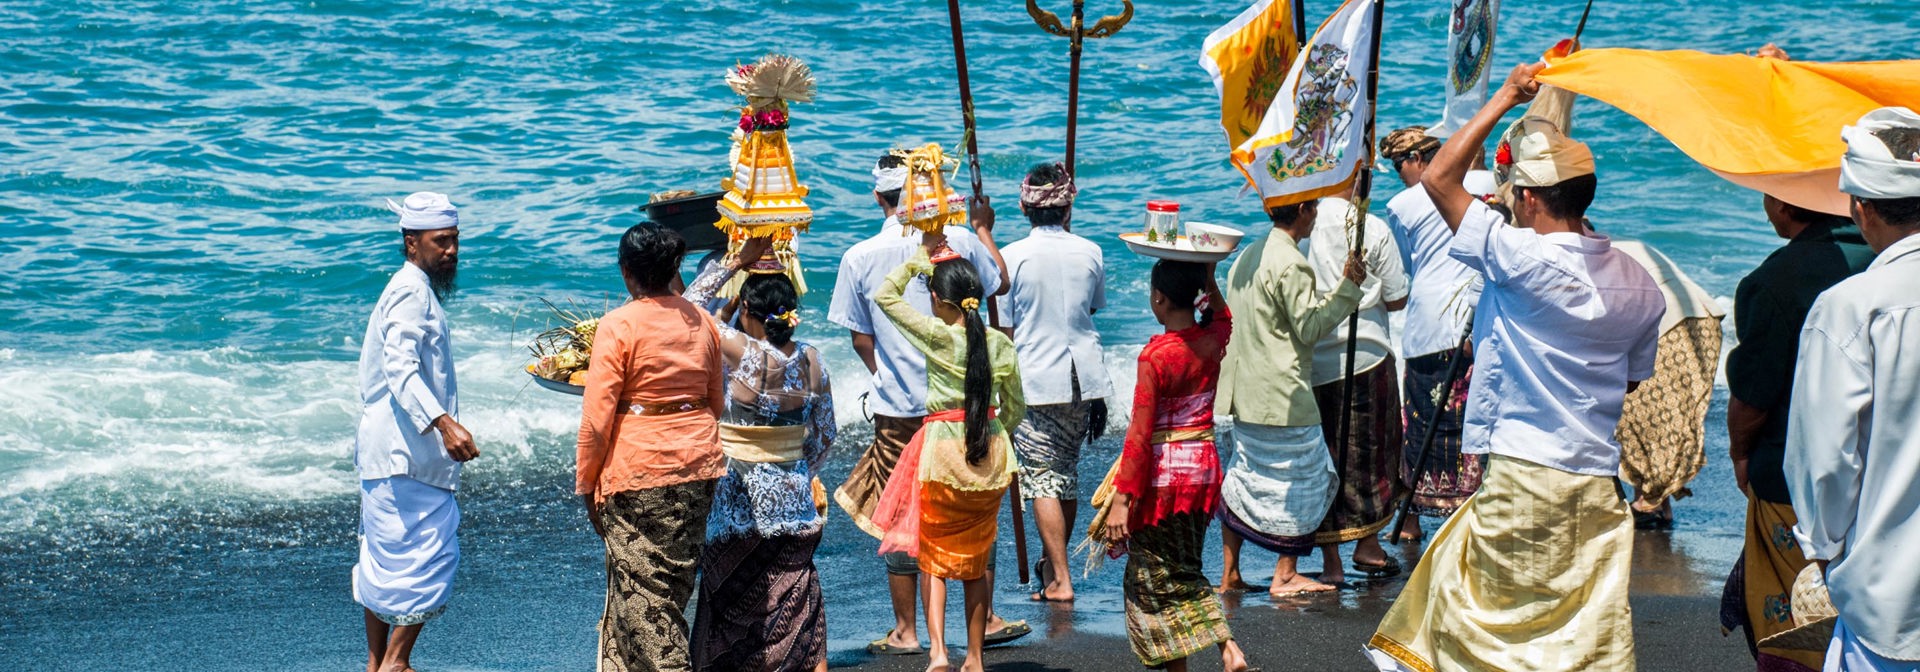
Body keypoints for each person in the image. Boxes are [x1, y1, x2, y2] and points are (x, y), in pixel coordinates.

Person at [1365, 63, 1666, 672]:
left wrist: (1506, 95)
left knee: (1483, 625)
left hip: (1525, 469)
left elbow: (1440, 177)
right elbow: (1632, 378)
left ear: (1528, 197)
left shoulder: (1519, 257)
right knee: (1579, 634)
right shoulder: (1639, 283)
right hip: (1595, 480)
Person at [829, 152, 1027, 655]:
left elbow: (861, 337)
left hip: (901, 406)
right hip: (977, 416)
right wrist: (980, 229)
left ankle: (908, 631)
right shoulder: (961, 241)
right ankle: (985, 621)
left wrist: (886, 377)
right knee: (976, 517)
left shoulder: (858, 255)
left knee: (904, 517)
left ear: (880, 198)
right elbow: (997, 284)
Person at [1784, 106, 1920, 671]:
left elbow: (1825, 460)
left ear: (1860, 208)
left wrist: (1822, 547)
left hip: (1889, 601)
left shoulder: (1851, 306)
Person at [1719, 195, 1872, 670]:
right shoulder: (1887, 262)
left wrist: (1740, 455)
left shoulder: (1774, 279)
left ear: (1783, 204)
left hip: (1793, 481)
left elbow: (1752, 396)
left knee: (1793, 628)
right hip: (1885, 475)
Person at [575, 223, 726, 672]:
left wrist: (586, 483)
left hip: (638, 471)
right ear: (674, 269)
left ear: (627, 272)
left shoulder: (618, 325)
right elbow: (715, 402)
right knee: (668, 589)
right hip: (699, 465)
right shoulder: (702, 321)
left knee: (647, 601)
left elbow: (597, 420)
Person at [867, 247, 1026, 672]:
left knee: (933, 559)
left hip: (942, 455)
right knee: (976, 561)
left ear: (938, 300)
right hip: (991, 455)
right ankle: (974, 658)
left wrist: (916, 264)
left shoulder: (937, 335)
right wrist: (995, 430)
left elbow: (885, 297)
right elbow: (1015, 408)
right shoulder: (1000, 344)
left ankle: (938, 653)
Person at [682, 238, 835, 672]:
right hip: (794, 500)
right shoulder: (812, 360)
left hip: (739, 501)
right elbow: (825, 435)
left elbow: (687, 309)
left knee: (731, 610)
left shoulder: (743, 352)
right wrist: (796, 469)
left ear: (747, 307)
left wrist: (735, 263)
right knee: (796, 602)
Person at [1100, 260, 1256, 672]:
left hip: (1164, 481)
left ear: (1159, 299)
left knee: (1152, 581)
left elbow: (1139, 434)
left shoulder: (1155, 357)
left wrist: (1121, 500)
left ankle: (1226, 647)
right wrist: (1210, 277)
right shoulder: (1210, 341)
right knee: (1186, 568)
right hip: (1203, 471)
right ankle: (1222, 651)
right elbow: (1223, 316)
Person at [1216, 197, 1366, 597]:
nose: (1315, 215)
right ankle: (1285, 573)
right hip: (1282, 396)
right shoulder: (1293, 264)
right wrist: (1348, 288)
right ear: (1302, 212)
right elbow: (1309, 328)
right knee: (1310, 477)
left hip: (1244, 392)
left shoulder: (1248, 256)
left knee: (1244, 479)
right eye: (1313, 208)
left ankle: (1230, 573)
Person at [354, 192, 478, 672]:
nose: (451, 250)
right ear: (411, 243)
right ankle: (396, 662)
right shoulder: (411, 292)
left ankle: (376, 664)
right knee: (432, 556)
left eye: (455, 240)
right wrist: (444, 424)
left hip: (386, 453)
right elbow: (400, 369)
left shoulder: (408, 287)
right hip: (407, 455)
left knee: (382, 559)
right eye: (440, 241)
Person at [997, 161, 1113, 603]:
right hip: (1084, 375)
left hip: (1037, 375)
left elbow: (1004, 328)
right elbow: (1091, 309)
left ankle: (1060, 577)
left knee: (1042, 477)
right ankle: (1052, 566)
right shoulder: (1090, 251)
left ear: (1025, 208)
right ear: (1067, 208)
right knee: (1064, 471)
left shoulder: (1011, 256)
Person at [1378, 126, 1486, 544]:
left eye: (1399, 165)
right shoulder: (1477, 187)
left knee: (1420, 419)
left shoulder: (1402, 205)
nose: (1398, 173)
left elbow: (1407, 265)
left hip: (1428, 319)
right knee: (1468, 419)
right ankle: (1469, 509)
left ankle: (1410, 518)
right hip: (1473, 317)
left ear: (1418, 159)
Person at [1303, 186, 1409, 585]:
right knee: (1372, 454)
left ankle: (1331, 560)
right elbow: (1397, 298)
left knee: (1326, 456)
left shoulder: (1300, 227)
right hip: (1367, 354)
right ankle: (1368, 545)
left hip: (1315, 358)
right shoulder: (1372, 227)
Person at [1608, 237, 1724, 529]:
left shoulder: (1597, 256)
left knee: (1637, 414)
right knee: (1656, 417)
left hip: (1675, 324)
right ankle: (1658, 501)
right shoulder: (1618, 247)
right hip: (1699, 318)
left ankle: (1650, 503)